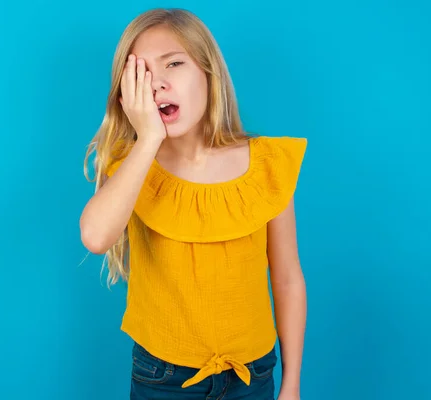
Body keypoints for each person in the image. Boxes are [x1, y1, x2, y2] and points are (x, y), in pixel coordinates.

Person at [80, 7, 307, 400]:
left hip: (254, 378)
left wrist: (292, 384)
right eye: (142, 75)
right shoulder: (133, 168)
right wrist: (148, 138)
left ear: (208, 72)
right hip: (162, 379)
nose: (158, 84)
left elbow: (287, 279)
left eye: (174, 63)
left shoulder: (267, 167)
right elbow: (96, 237)